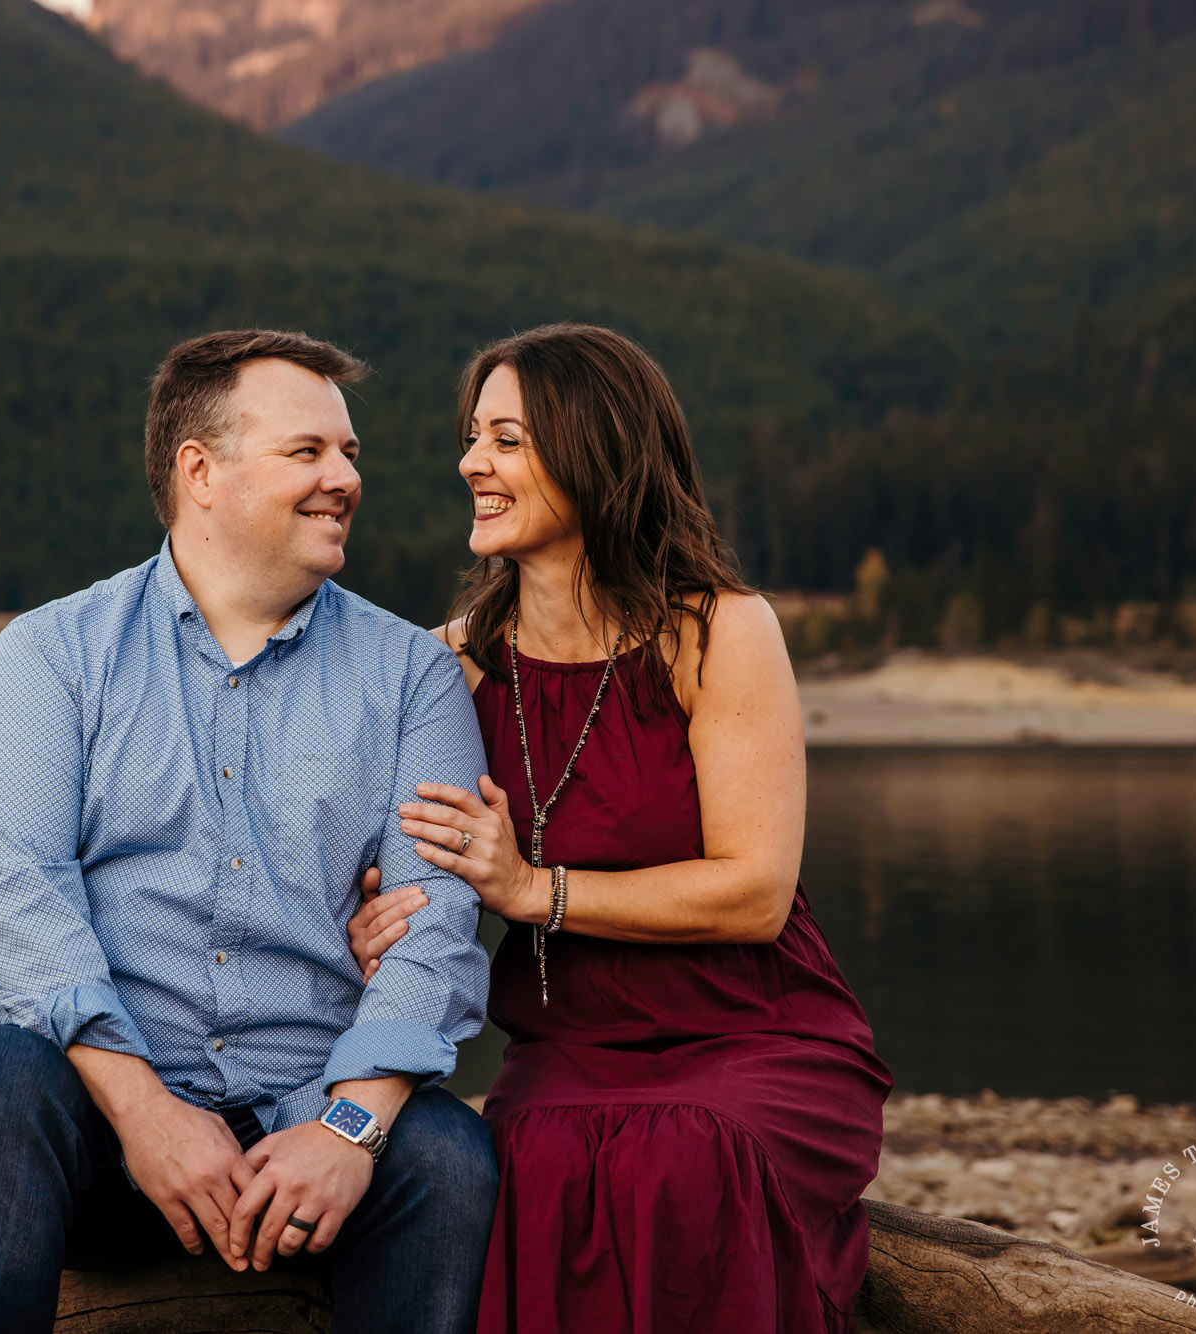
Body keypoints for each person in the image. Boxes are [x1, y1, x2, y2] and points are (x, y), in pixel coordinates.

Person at [0, 329, 499, 1334]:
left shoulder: (414, 679)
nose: (344, 476)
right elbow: (15, 906)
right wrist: (144, 1115)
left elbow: (432, 933)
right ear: (200, 470)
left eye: (349, 453)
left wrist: (348, 1129)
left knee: (446, 1154)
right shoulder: (49, 658)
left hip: (311, 1131)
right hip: (101, 1129)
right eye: (307, 451)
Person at [349, 323, 892, 1332]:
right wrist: (369, 913)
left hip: (757, 1032)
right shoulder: (448, 664)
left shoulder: (718, 630)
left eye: (505, 439)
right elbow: (402, 861)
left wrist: (532, 889)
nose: (470, 462)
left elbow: (754, 890)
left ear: (591, 450)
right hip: (570, 1043)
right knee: (521, 1169)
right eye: (472, 437)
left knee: (687, 1154)